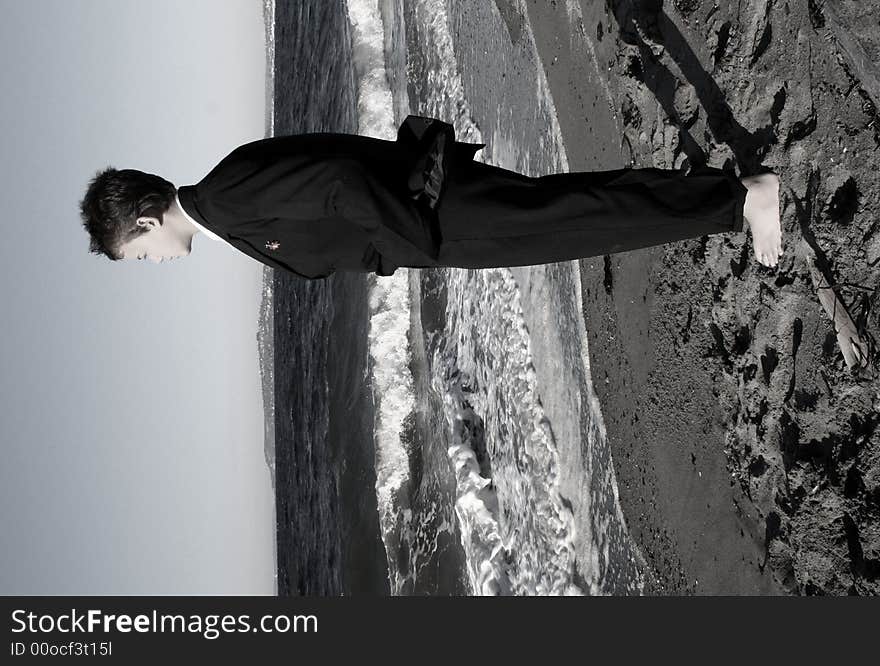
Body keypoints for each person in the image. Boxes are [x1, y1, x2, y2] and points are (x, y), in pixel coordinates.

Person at [79, 115, 782, 279]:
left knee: (580, 221)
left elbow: (338, 182)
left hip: (438, 215)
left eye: (137, 252)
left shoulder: (225, 196)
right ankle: (726, 197)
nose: (151, 262)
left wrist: (417, 238)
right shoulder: (223, 208)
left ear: (145, 221)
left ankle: (739, 200)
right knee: (576, 207)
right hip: (435, 210)